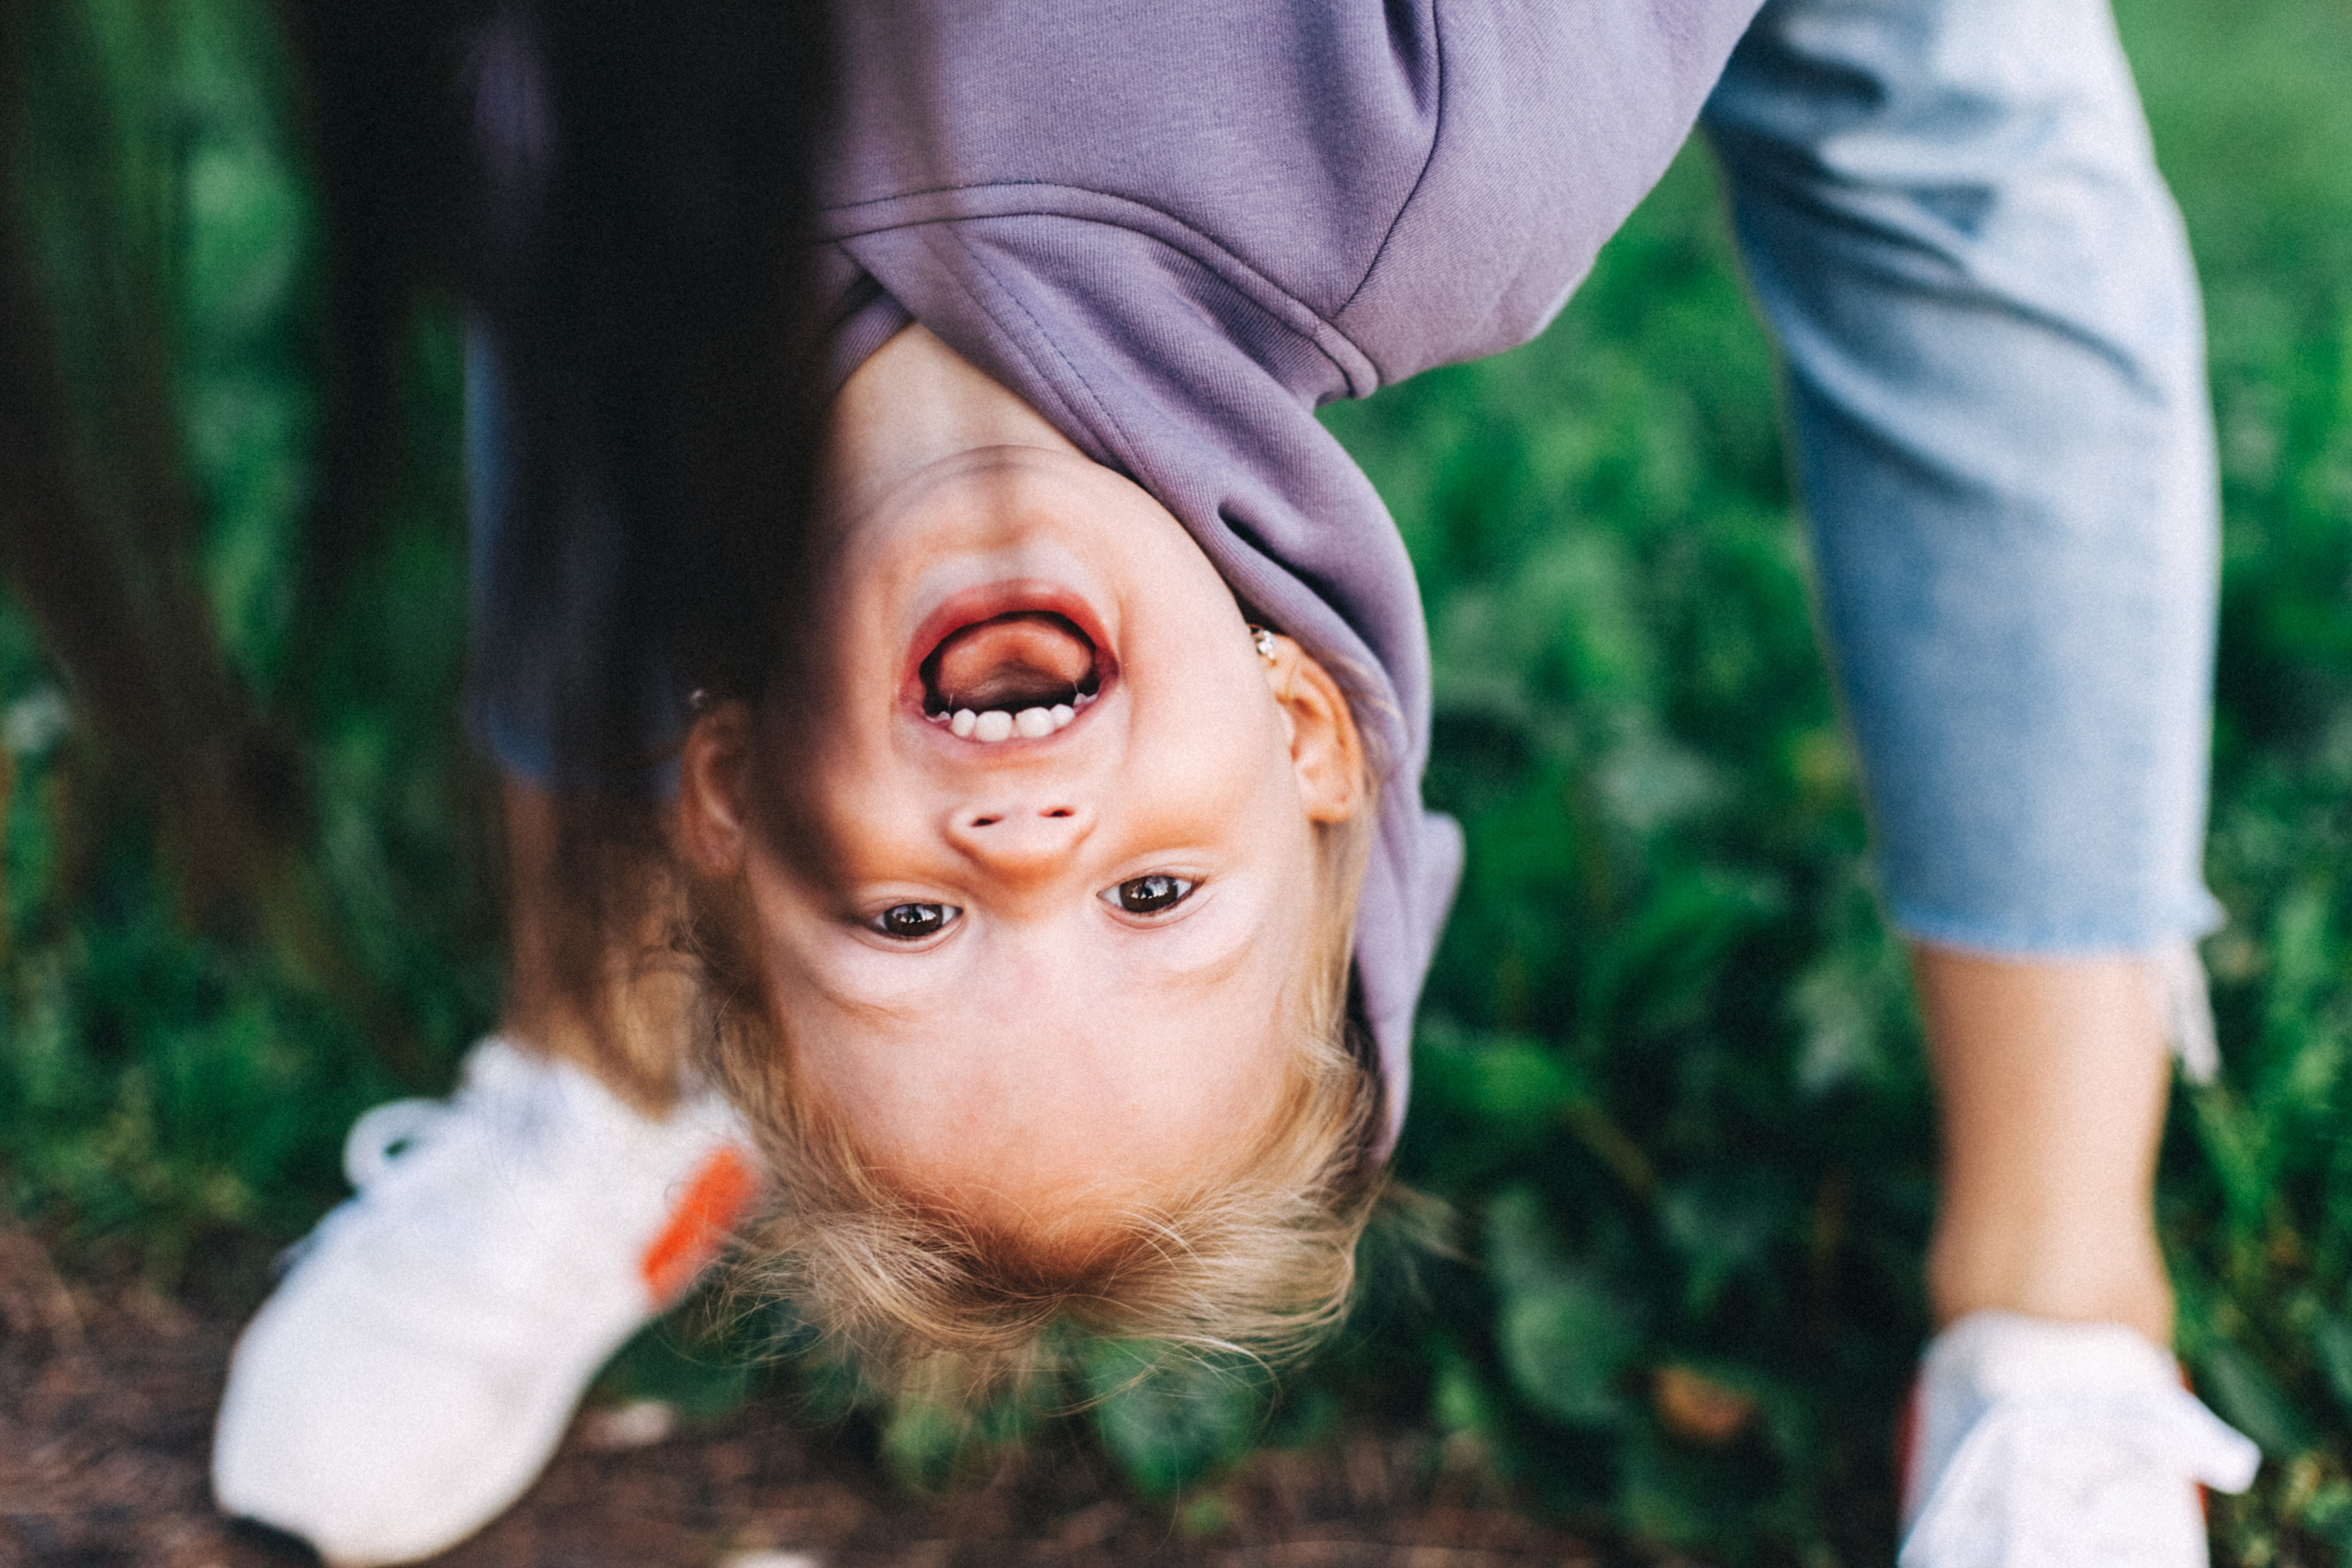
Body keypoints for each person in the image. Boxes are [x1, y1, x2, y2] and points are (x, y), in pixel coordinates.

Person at [213, 0, 2259, 1563]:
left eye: (914, 922)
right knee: (1932, 88)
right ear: (1302, 732)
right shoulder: (1440, 157)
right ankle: (2061, 1302)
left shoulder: (546, 179)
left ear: (723, 794)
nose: (1026, 846)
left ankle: (611, 1055)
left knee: (597, 272)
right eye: (1154, 900)